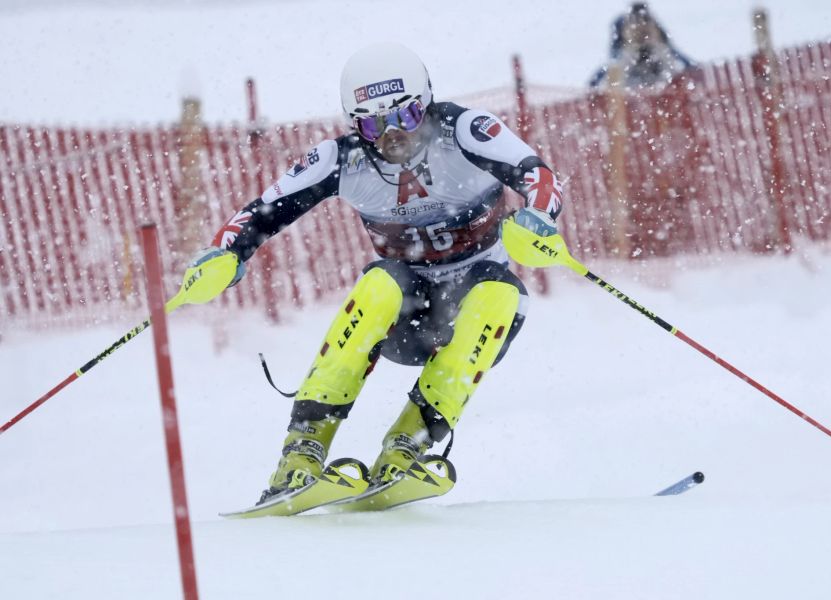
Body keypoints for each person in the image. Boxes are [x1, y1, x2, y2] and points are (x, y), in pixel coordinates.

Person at [189, 42, 564, 504]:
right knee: (383, 279)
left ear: (425, 103)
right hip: (407, 318)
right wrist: (224, 253)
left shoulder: (464, 130)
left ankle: (407, 444)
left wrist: (540, 218)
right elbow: (260, 212)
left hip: (473, 318)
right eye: (372, 124)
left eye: (404, 117)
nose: (391, 136)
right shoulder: (341, 158)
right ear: (355, 124)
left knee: (501, 291)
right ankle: (303, 449)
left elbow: (537, 175)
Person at [588, 2, 695, 90]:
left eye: (646, 30)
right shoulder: (618, 63)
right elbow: (594, 86)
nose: (641, 34)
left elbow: (694, 72)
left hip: (664, 98)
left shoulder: (669, 56)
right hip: (629, 100)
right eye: (636, 31)